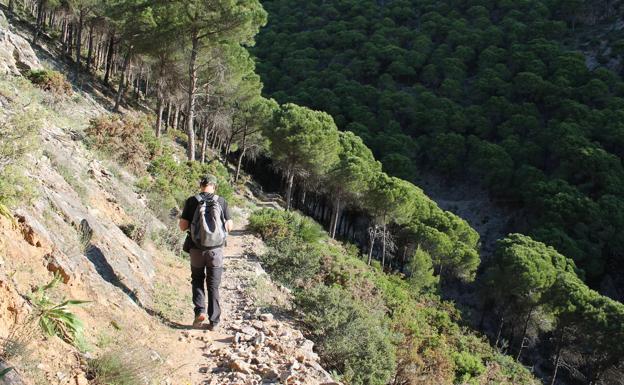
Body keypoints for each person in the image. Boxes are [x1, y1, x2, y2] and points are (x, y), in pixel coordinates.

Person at [179, 174, 233, 329]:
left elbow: (183, 226)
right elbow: (229, 226)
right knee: (213, 285)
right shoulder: (221, 201)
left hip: (196, 249)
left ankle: (200, 311)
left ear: (200, 185)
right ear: (214, 186)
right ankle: (214, 321)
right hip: (215, 252)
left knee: (197, 280)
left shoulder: (192, 201)